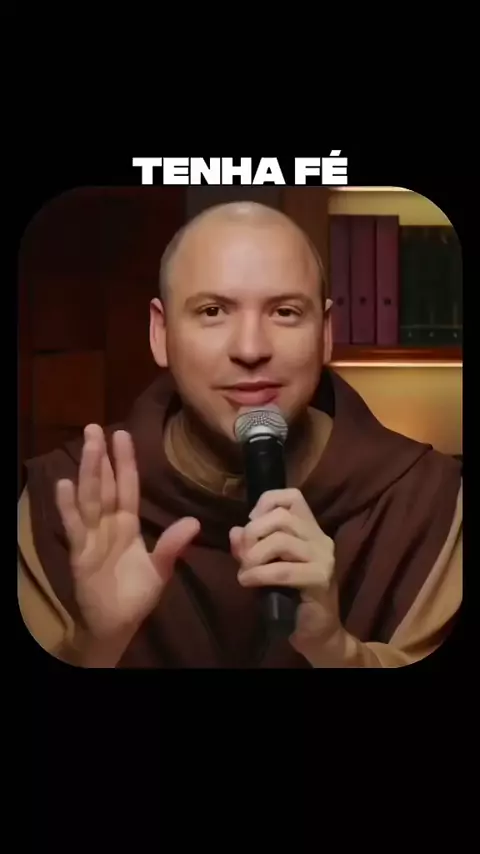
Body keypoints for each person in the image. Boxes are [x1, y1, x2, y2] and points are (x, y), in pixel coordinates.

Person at [17, 202, 462, 668]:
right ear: (160, 332)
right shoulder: (63, 499)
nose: (251, 349)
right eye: (213, 311)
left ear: (326, 333)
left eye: (285, 312)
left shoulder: (426, 500)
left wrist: (336, 649)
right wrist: (93, 646)